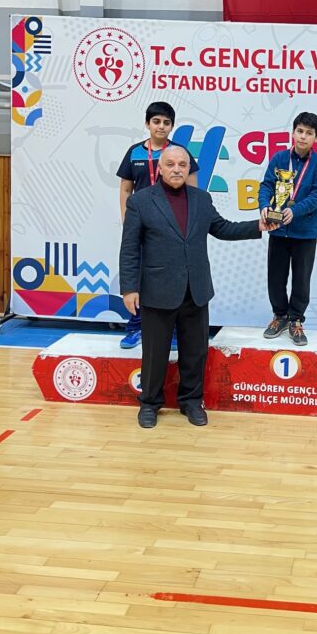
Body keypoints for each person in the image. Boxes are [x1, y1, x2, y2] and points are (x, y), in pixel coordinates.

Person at [120, 145, 266, 429]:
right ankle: (149, 403)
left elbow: (223, 228)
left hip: (196, 289)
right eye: (170, 164)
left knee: (195, 352)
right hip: (157, 290)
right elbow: (129, 248)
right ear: (160, 168)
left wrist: (257, 226)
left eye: (182, 165)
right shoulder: (140, 201)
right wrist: (129, 288)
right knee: (154, 353)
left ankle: (191, 402)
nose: (176, 169)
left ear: (189, 169)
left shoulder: (202, 199)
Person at [116, 102, 198, 350]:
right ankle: (135, 327)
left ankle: (172, 331)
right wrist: (128, 221)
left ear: (172, 126)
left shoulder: (179, 154)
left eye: (166, 122)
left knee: (171, 278)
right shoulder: (134, 153)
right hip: (142, 224)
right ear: (147, 124)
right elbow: (125, 189)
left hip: (171, 229)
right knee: (139, 276)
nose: (161, 126)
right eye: (156, 121)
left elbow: (193, 191)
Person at [259, 112, 317, 347]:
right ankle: (279, 316)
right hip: (278, 229)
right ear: (292, 132)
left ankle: (296, 320)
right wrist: (264, 206)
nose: (303, 136)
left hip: (305, 232)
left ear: (316, 138)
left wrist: (294, 211)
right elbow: (266, 185)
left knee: (301, 278)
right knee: (276, 276)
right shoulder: (279, 158)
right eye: (300, 131)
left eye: (309, 133)